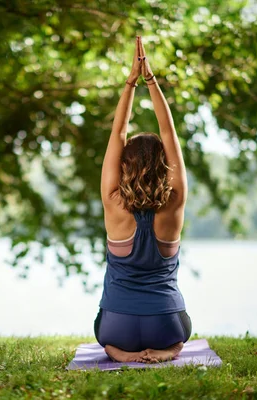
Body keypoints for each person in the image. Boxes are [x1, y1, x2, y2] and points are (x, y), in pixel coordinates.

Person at [94, 36, 192, 363]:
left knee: (102, 332)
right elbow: (169, 134)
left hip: (116, 328)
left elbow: (116, 133)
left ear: (125, 166)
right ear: (164, 165)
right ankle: (170, 351)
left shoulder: (112, 201)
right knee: (183, 330)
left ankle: (117, 354)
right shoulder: (174, 202)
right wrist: (151, 80)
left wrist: (130, 83)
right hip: (165, 325)